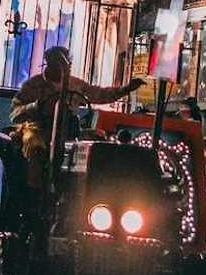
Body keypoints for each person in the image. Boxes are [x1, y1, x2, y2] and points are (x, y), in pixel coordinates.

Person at [10, 46, 145, 188]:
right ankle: (35, 189)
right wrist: (38, 106)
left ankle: (96, 188)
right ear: (48, 64)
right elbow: (15, 113)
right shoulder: (33, 85)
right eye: (58, 65)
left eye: (65, 65)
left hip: (69, 129)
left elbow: (99, 94)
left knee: (98, 142)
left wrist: (125, 90)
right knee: (33, 144)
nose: (63, 69)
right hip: (38, 128)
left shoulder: (75, 84)